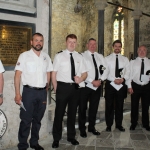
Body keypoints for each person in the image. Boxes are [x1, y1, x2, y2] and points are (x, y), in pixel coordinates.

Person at [14, 32, 53, 150]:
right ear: (31, 42)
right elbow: (17, 76)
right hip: (28, 93)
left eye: (41, 41)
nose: (38, 43)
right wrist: (17, 94)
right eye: (36, 40)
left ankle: (34, 142)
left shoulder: (46, 57)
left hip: (42, 93)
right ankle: (22, 145)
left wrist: (47, 87)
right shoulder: (24, 56)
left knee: (37, 119)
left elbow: (49, 72)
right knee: (26, 120)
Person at [52, 34, 87, 148]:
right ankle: (56, 138)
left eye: (74, 42)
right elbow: (54, 73)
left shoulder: (79, 57)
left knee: (72, 114)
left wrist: (81, 78)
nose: (72, 44)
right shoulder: (59, 56)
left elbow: (85, 73)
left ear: (76, 43)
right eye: (70, 42)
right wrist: (56, 88)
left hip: (75, 88)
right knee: (59, 114)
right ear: (66, 43)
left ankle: (71, 137)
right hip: (62, 87)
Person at [78, 38, 108, 138]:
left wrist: (101, 80)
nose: (93, 46)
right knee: (82, 108)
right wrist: (92, 81)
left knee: (94, 108)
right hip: (86, 86)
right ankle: (82, 129)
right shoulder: (82, 56)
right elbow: (81, 71)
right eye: (91, 44)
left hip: (97, 86)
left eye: (94, 44)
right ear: (87, 45)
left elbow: (106, 69)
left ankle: (92, 127)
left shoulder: (100, 56)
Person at [105, 40, 130, 132]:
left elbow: (128, 71)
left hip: (121, 85)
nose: (117, 48)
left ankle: (119, 124)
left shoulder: (125, 59)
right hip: (111, 84)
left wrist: (123, 79)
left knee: (120, 105)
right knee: (109, 106)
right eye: (116, 46)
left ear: (121, 48)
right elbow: (105, 72)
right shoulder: (107, 59)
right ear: (113, 46)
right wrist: (114, 79)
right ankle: (109, 125)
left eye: (119, 46)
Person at [127, 45, 150, 131]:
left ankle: (146, 123)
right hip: (136, 86)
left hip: (147, 86)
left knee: (146, 106)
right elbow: (129, 75)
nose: (142, 52)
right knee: (134, 106)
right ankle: (133, 123)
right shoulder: (132, 62)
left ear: (146, 52)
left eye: (144, 50)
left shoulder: (149, 62)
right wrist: (129, 86)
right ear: (137, 51)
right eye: (140, 50)